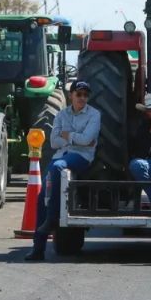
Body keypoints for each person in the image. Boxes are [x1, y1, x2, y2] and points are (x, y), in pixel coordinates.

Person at [25, 81, 100, 261]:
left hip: (82, 157)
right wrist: (77, 138)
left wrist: (67, 135)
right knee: (42, 197)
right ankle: (38, 248)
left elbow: (88, 140)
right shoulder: (60, 114)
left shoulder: (94, 115)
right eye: (78, 94)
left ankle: (52, 218)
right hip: (61, 155)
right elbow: (53, 142)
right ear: (71, 95)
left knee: (58, 167)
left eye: (85, 95)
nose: (82, 98)